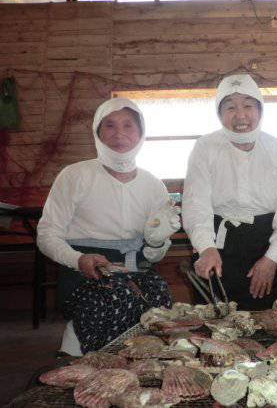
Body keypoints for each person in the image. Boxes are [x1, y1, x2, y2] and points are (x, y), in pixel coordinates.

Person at [37, 98, 180, 355]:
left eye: (128, 125)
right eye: (110, 125)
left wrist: (157, 243)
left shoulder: (153, 185)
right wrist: (78, 258)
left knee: (159, 297)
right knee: (115, 298)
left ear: (141, 133)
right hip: (82, 272)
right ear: (97, 132)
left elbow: (154, 253)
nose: (120, 134)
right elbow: (47, 234)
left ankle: (143, 367)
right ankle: (92, 363)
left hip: (134, 269)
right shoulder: (75, 175)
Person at [182, 74, 277, 310]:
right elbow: (196, 204)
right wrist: (206, 248)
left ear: (260, 109)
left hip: (267, 244)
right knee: (215, 325)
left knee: (268, 323)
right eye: (230, 107)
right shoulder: (205, 147)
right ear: (219, 113)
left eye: (248, 105)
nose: (240, 115)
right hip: (217, 243)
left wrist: (272, 259)